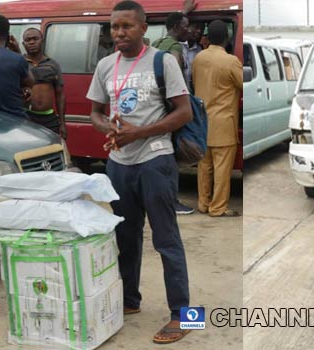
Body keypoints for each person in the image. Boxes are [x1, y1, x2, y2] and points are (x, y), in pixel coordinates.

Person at [86, 0, 192, 344]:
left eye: (127, 26)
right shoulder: (105, 65)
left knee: (167, 240)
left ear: (144, 28)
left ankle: (186, 317)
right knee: (124, 238)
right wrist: (109, 129)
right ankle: (130, 301)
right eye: (115, 26)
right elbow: (96, 113)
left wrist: (140, 132)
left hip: (155, 159)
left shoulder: (163, 61)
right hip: (120, 164)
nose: (119, 32)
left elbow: (184, 113)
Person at [192, 20, 241, 217]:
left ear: (207, 37)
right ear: (227, 38)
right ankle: (218, 207)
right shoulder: (231, 61)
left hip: (202, 122)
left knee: (204, 167)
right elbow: (243, 85)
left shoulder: (198, 58)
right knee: (222, 170)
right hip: (223, 123)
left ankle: (203, 203)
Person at [152, 11, 195, 215]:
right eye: (186, 26)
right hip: (172, 110)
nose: (190, 29)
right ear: (177, 27)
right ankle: (173, 201)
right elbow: (175, 80)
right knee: (171, 159)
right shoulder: (176, 48)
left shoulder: (158, 42)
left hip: (157, 109)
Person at [21, 27, 67, 138]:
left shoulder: (53, 64)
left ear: (42, 40)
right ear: (23, 44)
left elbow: (60, 95)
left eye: (35, 39)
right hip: (26, 117)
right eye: (28, 40)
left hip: (49, 119)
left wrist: (62, 123)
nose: (31, 42)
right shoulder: (20, 63)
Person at [181, 23, 203, 91]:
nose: (199, 31)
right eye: (196, 27)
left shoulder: (200, 51)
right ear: (187, 28)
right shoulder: (177, 46)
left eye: (202, 28)